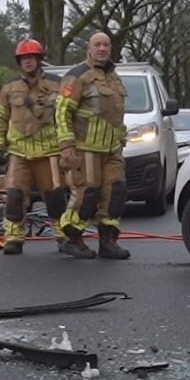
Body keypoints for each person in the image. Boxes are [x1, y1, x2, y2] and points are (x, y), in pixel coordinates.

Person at [54, 31, 130, 260]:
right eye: (97, 44)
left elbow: (117, 113)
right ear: (89, 48)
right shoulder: (77, 76)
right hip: (85, 148)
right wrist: (66, 145)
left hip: (112, 148)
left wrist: (121, 139)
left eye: (106, 45)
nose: (102, 49)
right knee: (87, 194)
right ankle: (72, 239)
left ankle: (108, 242)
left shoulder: (114, 77)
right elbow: (62, 111)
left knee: (115, 193)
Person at [0, 39, 65, 255]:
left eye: (31, 58)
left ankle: (63, 235)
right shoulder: (9, 87)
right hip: (19, 151)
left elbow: (66, 116)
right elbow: (1, 117)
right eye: (23, 59)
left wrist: (68, 144)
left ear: (39, 60)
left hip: (49, 151)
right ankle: (14, 237)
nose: (27, 62)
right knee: (14, 195)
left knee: (55, 196)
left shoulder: (57, 84)